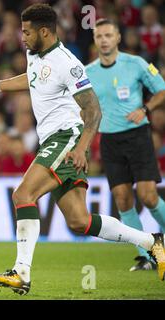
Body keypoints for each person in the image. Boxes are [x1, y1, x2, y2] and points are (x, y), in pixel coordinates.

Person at [0, 3, 165, 295]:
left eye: (26, 32)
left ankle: (21, 272)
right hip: (53, 140)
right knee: (79, 221)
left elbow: (93, 110)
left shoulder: (67, 63)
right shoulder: (34, 53)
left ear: (43, 31)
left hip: (66, 137)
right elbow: (32, 80)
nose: (21, 37)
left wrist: (82, 148)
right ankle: (153, 242)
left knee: (23, 194)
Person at [86, 19, 165, 272]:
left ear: (118, 37)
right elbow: (84, 109)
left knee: (148, 196)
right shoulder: (88, 73)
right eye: (99, 36)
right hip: (109, 140)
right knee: (122, 200)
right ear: (95, 40)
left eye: (109, 35)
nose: (104, 40)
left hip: (137, 136)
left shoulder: (136, 64)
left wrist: (145, 108)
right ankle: (148, 255)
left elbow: (162, 90)